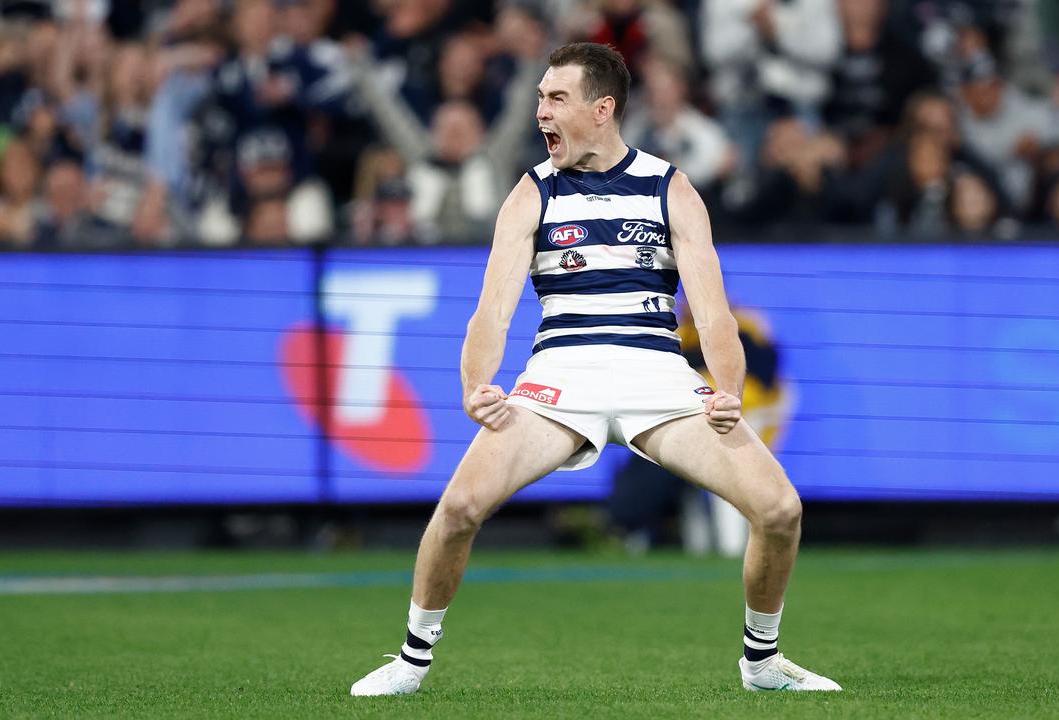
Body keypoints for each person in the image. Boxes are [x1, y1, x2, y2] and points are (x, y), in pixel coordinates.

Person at [349, 42, 841, 696]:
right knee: (462, 505)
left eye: (556, 98)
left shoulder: (671, 189)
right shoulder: (530, 193)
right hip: (562, 378)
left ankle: (762, 662)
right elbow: (491, 313)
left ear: (601, 109)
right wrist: (475, 387)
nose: (540, 111)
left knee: (779, 509)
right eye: (539, 97)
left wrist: (726, 390)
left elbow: (716, 315)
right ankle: (410, 663)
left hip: (657, 378)